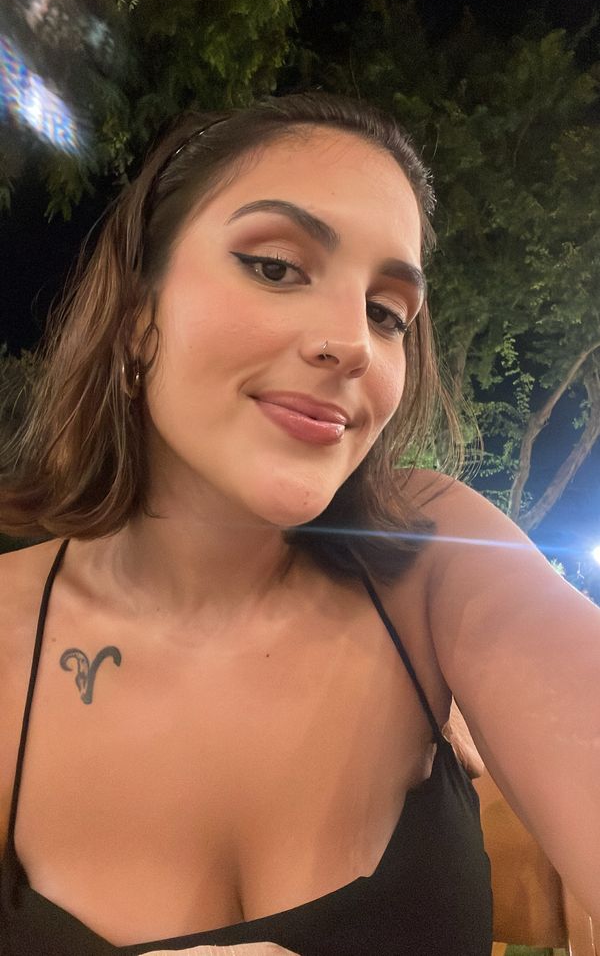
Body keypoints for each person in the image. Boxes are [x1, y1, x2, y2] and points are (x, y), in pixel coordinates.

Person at [0, 91, 598, 956]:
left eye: (387, 313)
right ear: (136, 317)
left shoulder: (433, 554)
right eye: (277, 267)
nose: (352, 341)